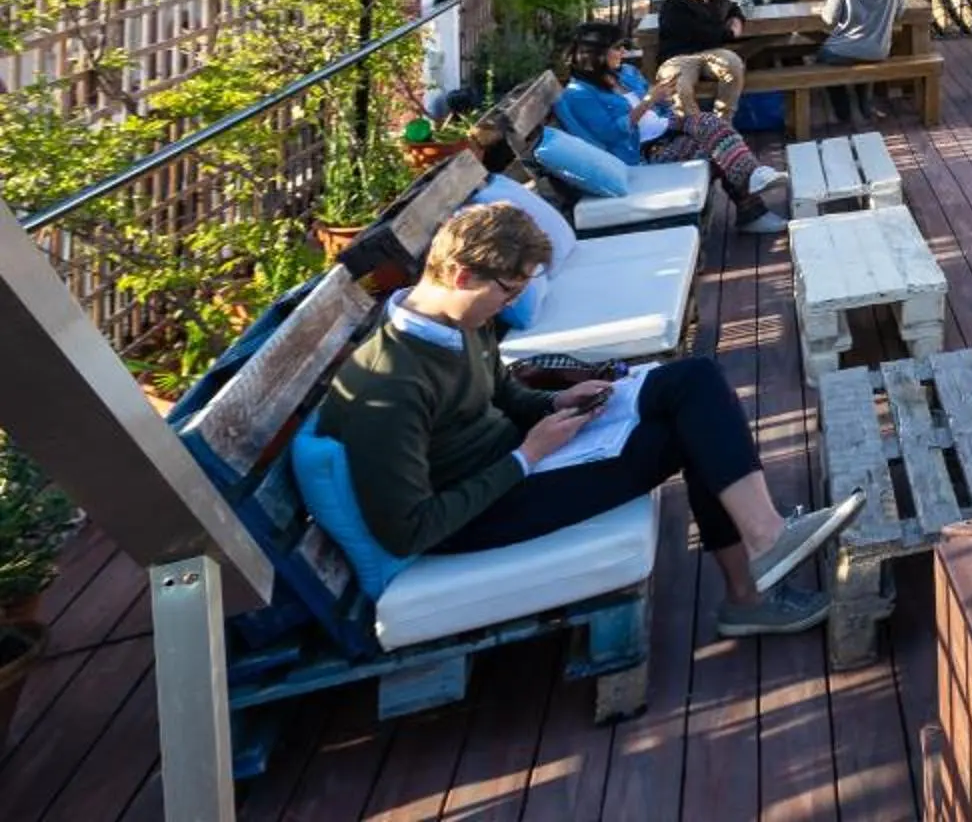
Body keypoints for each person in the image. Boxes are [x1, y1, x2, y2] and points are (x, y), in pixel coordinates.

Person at [314, 201, 862, 638]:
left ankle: (763, 546)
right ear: (459, 275)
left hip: (521, 457)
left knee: (692, 380)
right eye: (509, 291)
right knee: (686, 433)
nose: (510, 304)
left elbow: (501, 392)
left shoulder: (459, 321)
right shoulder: (389, 386)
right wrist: (527, 456)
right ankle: (751, 586)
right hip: (481, 510)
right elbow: (409, 528)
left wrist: (556, 403)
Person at [555, 26, 791, 233]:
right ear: (595, 54)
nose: (623, 53)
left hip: (666, 130)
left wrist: (664, 101)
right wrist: (649, 100)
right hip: (643, 153)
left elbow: (656, 107)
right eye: (617, 48)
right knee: (714, 147)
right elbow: (612, 133)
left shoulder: (624, 74)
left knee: (710, 125)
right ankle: (752, 203)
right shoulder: (579, 95)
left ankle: (753, 186)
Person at [815, 0, 907, 127]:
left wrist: (821, 9)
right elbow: (900, 11)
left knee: (820, 57)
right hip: (879, 50)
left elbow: (830, 18)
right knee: (861, 56)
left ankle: (844, 113)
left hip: (844, 49)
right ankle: (864, 105)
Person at [653, 0, 749, 118]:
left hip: (711, 53)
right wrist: (729, 33)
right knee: (679, 86)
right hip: (679, 57)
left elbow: (734, 10)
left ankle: (722, 123)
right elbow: (703, 33)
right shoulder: (675, 5)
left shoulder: (719, 0)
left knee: (733, 64)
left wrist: (737, 21)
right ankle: (699, 127)